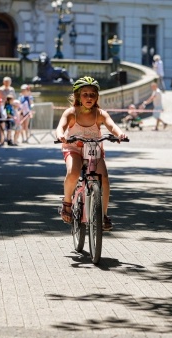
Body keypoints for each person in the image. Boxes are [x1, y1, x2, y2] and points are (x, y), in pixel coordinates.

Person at [55, 76, 128, 230]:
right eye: (85, 94)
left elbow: (111, 125)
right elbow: (60, 126)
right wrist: (60, 135)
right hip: (73, 148)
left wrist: (120, 134)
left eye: (92, 94)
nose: (89, 97)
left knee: (105, 179)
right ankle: (67, 203)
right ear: (78, 96)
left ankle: (103, 214)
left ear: (97, 97)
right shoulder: (71, 112)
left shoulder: (99, 113)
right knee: (73, 173)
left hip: (94, 149)